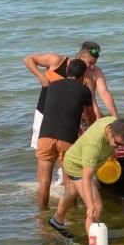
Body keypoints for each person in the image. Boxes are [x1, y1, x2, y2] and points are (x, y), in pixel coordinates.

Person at [47, 117, 124, 240]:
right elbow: (86, 178)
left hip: (81, 157)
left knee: (72, 191)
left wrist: (112, 151)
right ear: (110, 132)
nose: (118, 147)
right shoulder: (93, 146)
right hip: (76, 165)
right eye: (117, 144)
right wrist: (89, 206)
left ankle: (57, 219)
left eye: (122, 145)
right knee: (96, 206)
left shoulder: (115, 123)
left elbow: (113, 137)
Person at [23, 41, 117, 146]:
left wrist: (99, 126)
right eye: (90, 63)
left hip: (69, 117)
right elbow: (28, 59)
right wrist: (42, 78)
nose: (92, 67)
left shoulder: (87, 78)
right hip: (45, 112)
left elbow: (93, 104)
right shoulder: (57, 61)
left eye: (94, 64)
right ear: (81, 58)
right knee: (42, 148)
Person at [35, 58, 95, 210]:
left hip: (45, 137)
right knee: (70, 182)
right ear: (83, 75)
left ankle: (42, 216)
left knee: (44, 182)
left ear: (67, 71)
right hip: (67, 140)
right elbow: (91, 117)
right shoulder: (84, 91)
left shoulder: (52, 86)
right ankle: (71, 213)